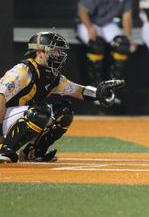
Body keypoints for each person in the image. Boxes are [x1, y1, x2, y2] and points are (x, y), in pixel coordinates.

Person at [0, 31, 125, 163]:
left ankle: (33, 152)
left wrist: (99, 93)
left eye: (58, 51)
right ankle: (4, 149)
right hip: (3, 118)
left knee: (64, 111)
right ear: (39, 52)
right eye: (53, 50)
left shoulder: (52, 76)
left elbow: (77, 90)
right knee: (41, 112)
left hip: (15, 117)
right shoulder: (23, 71)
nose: (58, 54)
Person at [77, 0, 135, 90]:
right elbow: (82, 10)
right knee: (96, 44)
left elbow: (127, 14)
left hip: (107, 23)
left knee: (123, 44)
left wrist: (128, 36)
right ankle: (95, 88)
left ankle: (113, 88)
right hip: (87, 22)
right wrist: (90, 28)